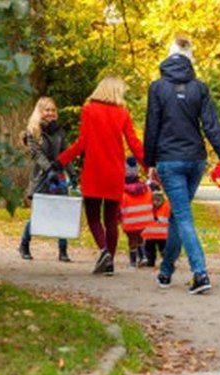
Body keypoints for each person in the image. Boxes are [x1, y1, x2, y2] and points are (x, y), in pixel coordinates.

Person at [145, 35, 220, 294]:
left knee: (182, 216)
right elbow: (211, 126)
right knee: (177, 215)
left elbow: (152, 126)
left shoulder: (158, 87)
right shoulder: (199, 88)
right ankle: (165, 272)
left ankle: (200, 273)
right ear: (190, 57)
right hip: (196, 159)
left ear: (169, 54)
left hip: (170, 160)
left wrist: (149, 162)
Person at [57, 76, 145, 276]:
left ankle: (104, 251)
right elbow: (134, 143)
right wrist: (148, 165)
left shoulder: (89, 109)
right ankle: (110, 263)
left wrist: (61, 160)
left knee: (93, 218)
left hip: (94, 171)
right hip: (115, 172)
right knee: (111, 220)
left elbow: (82, 142)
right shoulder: (123, 113)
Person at [18, 96, 76, 262]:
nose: (50, 113)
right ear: (40, 111)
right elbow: (37, 154)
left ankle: (63, 250)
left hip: (58, 176)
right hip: (42, 176)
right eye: (47, 110)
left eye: (53, 110)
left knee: (62, 212)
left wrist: (72, 174)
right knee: (40, 213)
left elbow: (66, 154)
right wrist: (49, 168)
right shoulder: (33, 132)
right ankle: (24, 244)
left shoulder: (59, 131)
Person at [120, 157, 153, 268]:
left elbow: (119, 208)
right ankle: (143, 256)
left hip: (130, 220)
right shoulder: (144, 188)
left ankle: (133, 262)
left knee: (132, 240)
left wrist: (117, 218)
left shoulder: (124, 191)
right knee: (139, 237)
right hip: (143, 219)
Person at [142, 183, 171, 268]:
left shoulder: (146, 202)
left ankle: (150, 262)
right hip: (163, 233)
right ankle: (166, 262)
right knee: (163, 249)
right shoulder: (166, 204)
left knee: (150, 249)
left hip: (149, 233)